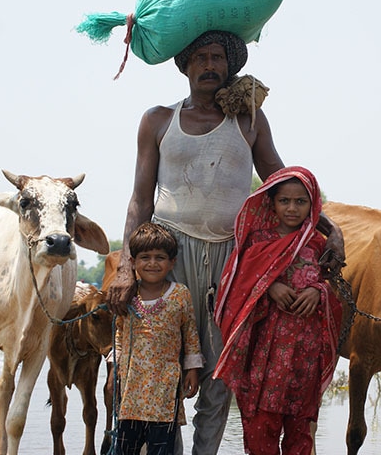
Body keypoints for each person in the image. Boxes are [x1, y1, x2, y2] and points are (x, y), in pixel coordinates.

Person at [106, 30, 345, 455]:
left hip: (232, 260)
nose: (210, 66)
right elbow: (140, 199)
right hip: (169, 255)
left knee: (221, 366)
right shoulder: (158, 120)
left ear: (230, 68)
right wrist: (127, 265)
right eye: (201, 58)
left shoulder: (249, 121)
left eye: (218, 58)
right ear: (185, 66)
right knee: (165, 359)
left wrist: (331, 230)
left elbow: (284, 183)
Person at [212, 166, 342, 454]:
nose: (292, 208)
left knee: (300, 433)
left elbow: (337, 292)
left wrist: (318, 292)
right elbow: (237, 286)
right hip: (264, 356)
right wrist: (269, 287)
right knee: (261, 428)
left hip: (304, 357)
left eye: (301, 201)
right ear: (271, 202)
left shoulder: (319, 245)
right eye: (285, 201)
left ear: (313, 205)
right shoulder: (257, 242)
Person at [113, 222, 203, 455]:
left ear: (171, 262)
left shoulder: (180, 294)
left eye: (160, 257)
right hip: (131, 390)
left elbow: (191, 334)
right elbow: (120, 333)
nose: (152, 263)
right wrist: (115, 368)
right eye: (145, 257)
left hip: (165, 389)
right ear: (133, 262)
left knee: (161, 449)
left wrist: (192, 370)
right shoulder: (128, 295)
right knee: (125, 448)